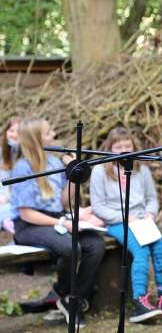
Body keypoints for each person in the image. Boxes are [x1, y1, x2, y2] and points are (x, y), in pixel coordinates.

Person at [10, 117, 105, 328]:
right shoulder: (22, 168)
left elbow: (64, 201)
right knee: (69, 247)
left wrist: (73, 175)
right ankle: (67, 296)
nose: (54, 135)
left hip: (57, 218)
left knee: (95, 244)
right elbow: (26, 213)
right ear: (35, 139)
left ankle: (70, 298)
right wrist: (62, 221)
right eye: (48, 132)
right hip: (31, 225)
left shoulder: (54, 162)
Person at [90, 126, 162, 324]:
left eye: (128, 146)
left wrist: (150, 213)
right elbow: (98, 207)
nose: (125, 150)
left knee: (160, 250)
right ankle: (140, 301)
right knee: (142, 251)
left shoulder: (141, 169)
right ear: (110, 149)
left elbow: (151, 198)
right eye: (119, 147)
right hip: (117, 221)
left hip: (142, 220)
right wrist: (125, 217)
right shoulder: (99, 171)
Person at [1, 117, 21, 233]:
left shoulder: (25, 157)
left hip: (15, 201)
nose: (14, 135)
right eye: (11, 131)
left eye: (18, 132)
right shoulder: (2, 153)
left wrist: (7, 197)